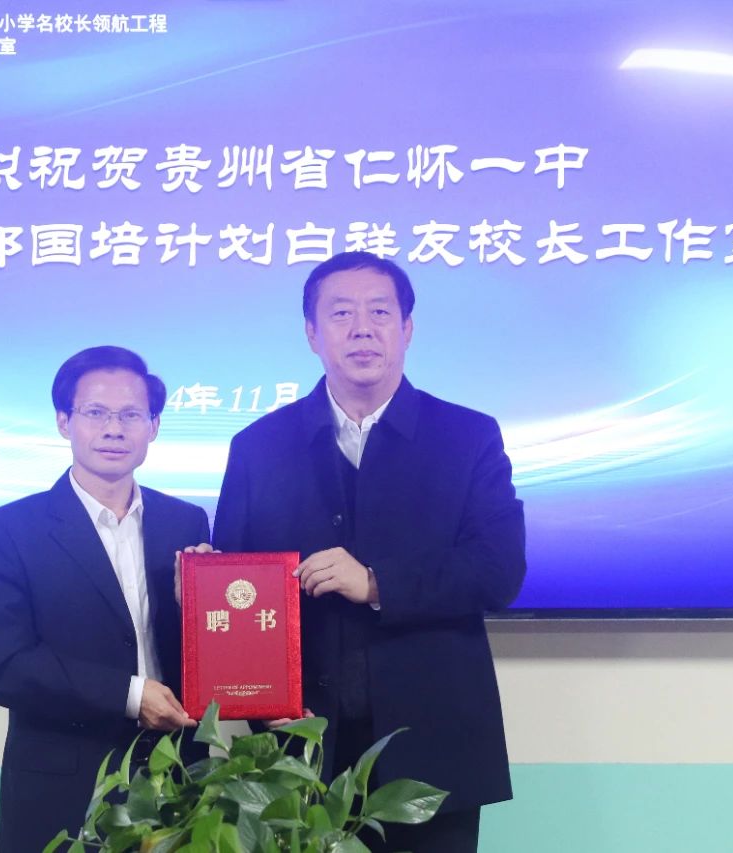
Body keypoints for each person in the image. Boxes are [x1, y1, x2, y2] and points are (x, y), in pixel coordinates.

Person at [212, 252, 526, 853]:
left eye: (379, 312)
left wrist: (378, 583)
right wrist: (256, 694)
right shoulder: (259, 447)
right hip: (296, 745)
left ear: (407, 329)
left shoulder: (467, 437)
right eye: (341, 314)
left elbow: (499, 570)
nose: (362, 329)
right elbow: (239, 592)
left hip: (431, 744)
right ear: (312, 333)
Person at [0, 346, 209, 853]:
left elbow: (201, 647)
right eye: (96, 412)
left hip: (176, 774)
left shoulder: (186, 522)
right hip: (63, 785)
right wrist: (131, 695)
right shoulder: (7, 531)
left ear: (154, 426)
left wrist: (200, 610)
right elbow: (5, 666)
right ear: (64, 422)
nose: (114, 429)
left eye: (131, 415)